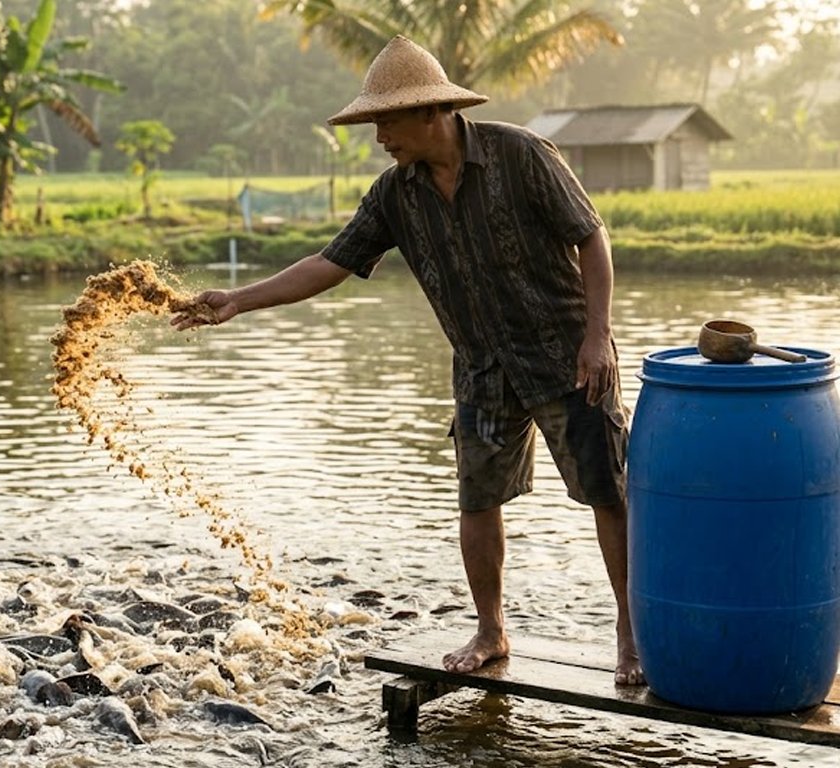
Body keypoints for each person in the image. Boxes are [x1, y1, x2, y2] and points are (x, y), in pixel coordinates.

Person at [171, 35, 644, 686]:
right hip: (482, 368)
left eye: (386, 122)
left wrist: (598, 335)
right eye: (373, 123)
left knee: (606, 492)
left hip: (568, 357)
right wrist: (236, 301)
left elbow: (591, 236)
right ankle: (491, 630)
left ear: (431, 114)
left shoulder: (521, 156)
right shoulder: (396, 195)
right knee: (477, 500)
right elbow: (327, 264)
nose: (378, 138)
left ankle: (630, 631)